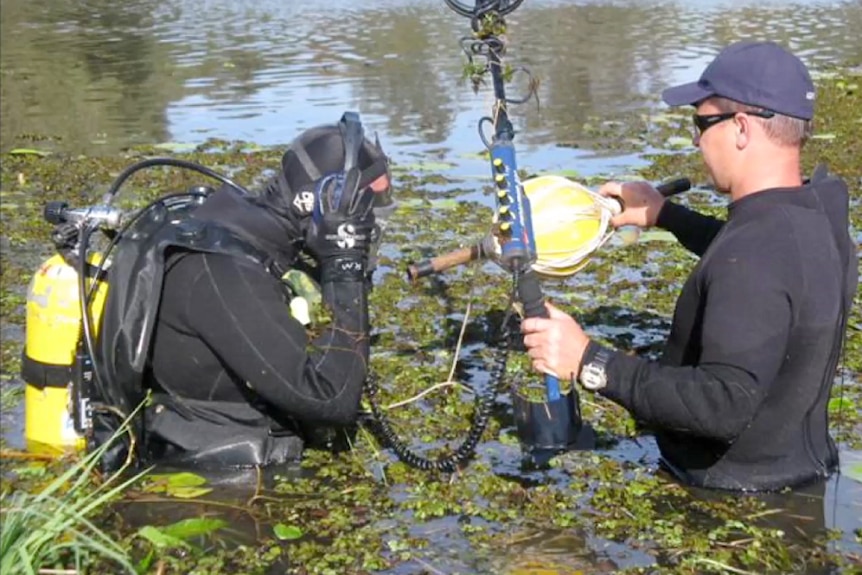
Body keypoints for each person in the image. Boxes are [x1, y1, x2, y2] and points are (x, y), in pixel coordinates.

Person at [521, 40, 857, 491]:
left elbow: (723, 405)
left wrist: (589, 360)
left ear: (741, 128)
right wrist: (665, 214)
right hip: (800, 470)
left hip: (732, 497)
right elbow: (768, 268)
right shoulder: (818, 209)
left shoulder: (758, 253)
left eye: (701, 122)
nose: (696, 139)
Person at [94, 112, 393, 468]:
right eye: (365, 209)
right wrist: (345, 268)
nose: (371, 223)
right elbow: (332, 400)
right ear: (329, 201)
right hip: (212, 490)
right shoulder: (223, 270)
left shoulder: (246, 239)